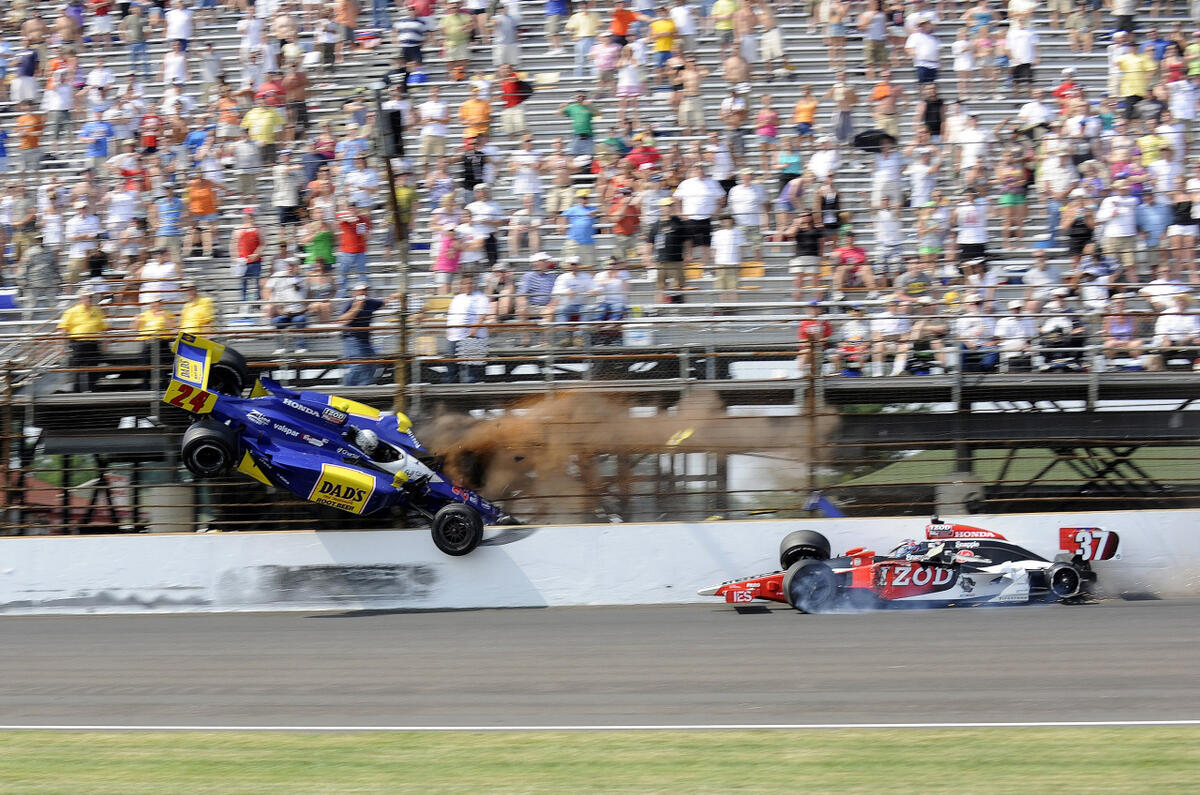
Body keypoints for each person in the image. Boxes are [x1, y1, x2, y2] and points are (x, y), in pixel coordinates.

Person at [58, 286, 108, 392]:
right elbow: (63, 329)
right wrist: (62, 345)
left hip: (93, 343)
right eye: (87, 297)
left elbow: (103, 328)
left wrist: (105, 343)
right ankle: (76, 391)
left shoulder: (97, 311)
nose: (89, 299)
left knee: (93, 369)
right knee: (77, 369)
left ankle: (92, 390)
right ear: (81, 298)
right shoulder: (71, 311)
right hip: (78, 343)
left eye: (90, 297)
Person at [351, 428, 435, 489]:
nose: (371, 449)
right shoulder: (356, 451)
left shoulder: (380, 448)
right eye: (369, 448)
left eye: (372, 447)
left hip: (397, 463)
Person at [445, 274, 491, 383]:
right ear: (461, 285)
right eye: (466, 283)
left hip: (474, 337)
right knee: (451, 365)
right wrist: (448, 330)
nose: (468, 285)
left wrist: (474, 329)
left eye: (471, 283)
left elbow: (482, 315)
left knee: (472, 369)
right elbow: (451, 315)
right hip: (455, 336)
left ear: (474, 284)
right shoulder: (457, 298)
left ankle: (471, 389)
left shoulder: (481, 297)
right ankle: (451, 388)